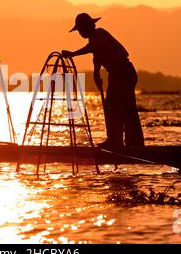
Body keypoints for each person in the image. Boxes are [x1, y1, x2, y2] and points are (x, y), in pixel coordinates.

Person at [62, 13, 144, 151]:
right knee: (117, 107)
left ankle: (127, 143)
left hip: (124, 72)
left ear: (88, 27)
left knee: (117, 107)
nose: (80, 33)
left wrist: (72, 54)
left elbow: (93, 49)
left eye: (81, 30)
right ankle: (120, 141)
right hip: (117, 74)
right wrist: (96, 74)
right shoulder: (94, 40)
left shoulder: (99, 34)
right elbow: (97, 57)